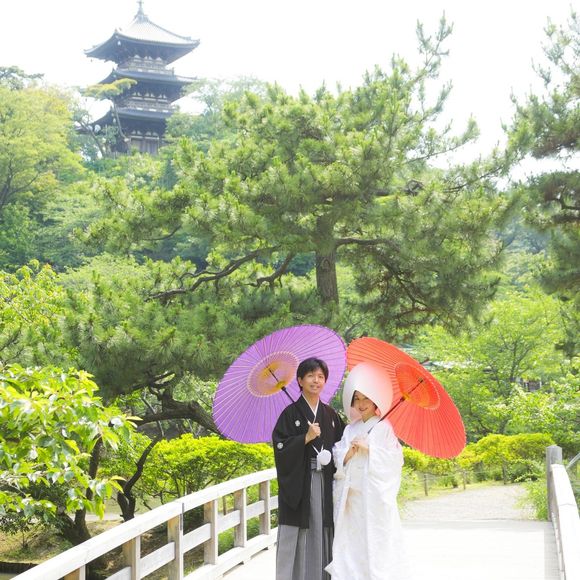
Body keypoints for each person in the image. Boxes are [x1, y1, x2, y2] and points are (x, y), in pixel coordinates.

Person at [326, 363, 410, 580]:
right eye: (357, 399)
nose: (361, 404)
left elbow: (395, 459)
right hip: (352, 499)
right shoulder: (350, 428)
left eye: (366, 399)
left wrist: (370, 449)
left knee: (375, 541)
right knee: (351, 544)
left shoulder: (384, 427)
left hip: (373, 498)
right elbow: (338, 455)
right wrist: (348, 453)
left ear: (375, 401)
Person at [272, 357, 345, 580]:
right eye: (311, 376)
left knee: (324, 527)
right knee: (302, 528)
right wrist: (305, 437)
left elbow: (341, 446)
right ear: (300, 380)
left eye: (321, 376)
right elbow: (280, 447)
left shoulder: (330, 415)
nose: (316, 380)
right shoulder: (290, 414)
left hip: (325, 482)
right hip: (301, 483)